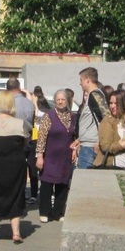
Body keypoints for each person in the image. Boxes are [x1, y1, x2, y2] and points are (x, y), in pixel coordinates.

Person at [0, 90, 30, 244]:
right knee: (15, 195)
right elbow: (26, 141)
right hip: (14, 165)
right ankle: (15, 233)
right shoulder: (19, 123)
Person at [35, 90, 75, 222]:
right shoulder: (49, 116)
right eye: (58, 99)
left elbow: (75, 136)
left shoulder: (73, 116)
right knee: (47, 184)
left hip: (65, 157)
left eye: (63, 99)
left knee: (62, 185)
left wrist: (75, 148)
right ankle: (45, 212)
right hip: (50, 156)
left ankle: (58, 212)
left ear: (67, 100)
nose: (60, 101)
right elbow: (41, 137)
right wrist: (40, 156)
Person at [72, 67, 109, 169]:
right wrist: (80, 139)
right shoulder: (93, 95)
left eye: (81, 80)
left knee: (86, 181)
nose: (80, 83)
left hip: (91, 147)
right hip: (87, 145)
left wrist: (100, 141)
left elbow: (105, 119)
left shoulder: (95, 95)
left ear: (87, 80)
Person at [95, 88, 125, 168]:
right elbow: (106, 147)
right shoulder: (108, 122)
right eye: (111, 103)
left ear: (124, 104)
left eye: (116, 103)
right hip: (113, 165)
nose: (112, 106)